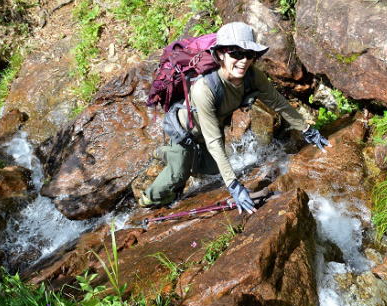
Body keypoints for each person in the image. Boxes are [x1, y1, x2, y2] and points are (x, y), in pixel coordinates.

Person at [138, 22, 330, 213]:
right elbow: (214, 141)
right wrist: (234, 186)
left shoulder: (253, 76)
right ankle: (147, 199)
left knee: (212, 169)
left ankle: (175, 158)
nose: (244, 61)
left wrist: (307, 130)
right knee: (177, 175)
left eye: (249, 54)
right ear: (221, 54)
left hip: (209, 130)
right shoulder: (204, 89)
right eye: (236, 54)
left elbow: (278, 103)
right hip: (184, 132)